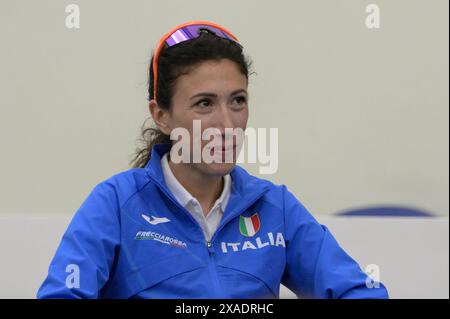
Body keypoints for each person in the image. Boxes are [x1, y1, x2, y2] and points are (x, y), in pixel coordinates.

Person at [37, 21, 389, 299]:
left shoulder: (273, 206)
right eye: (204, 103)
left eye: (237, 100)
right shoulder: (115, 203)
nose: (227, 123)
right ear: (161, 116)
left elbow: (358, 291)